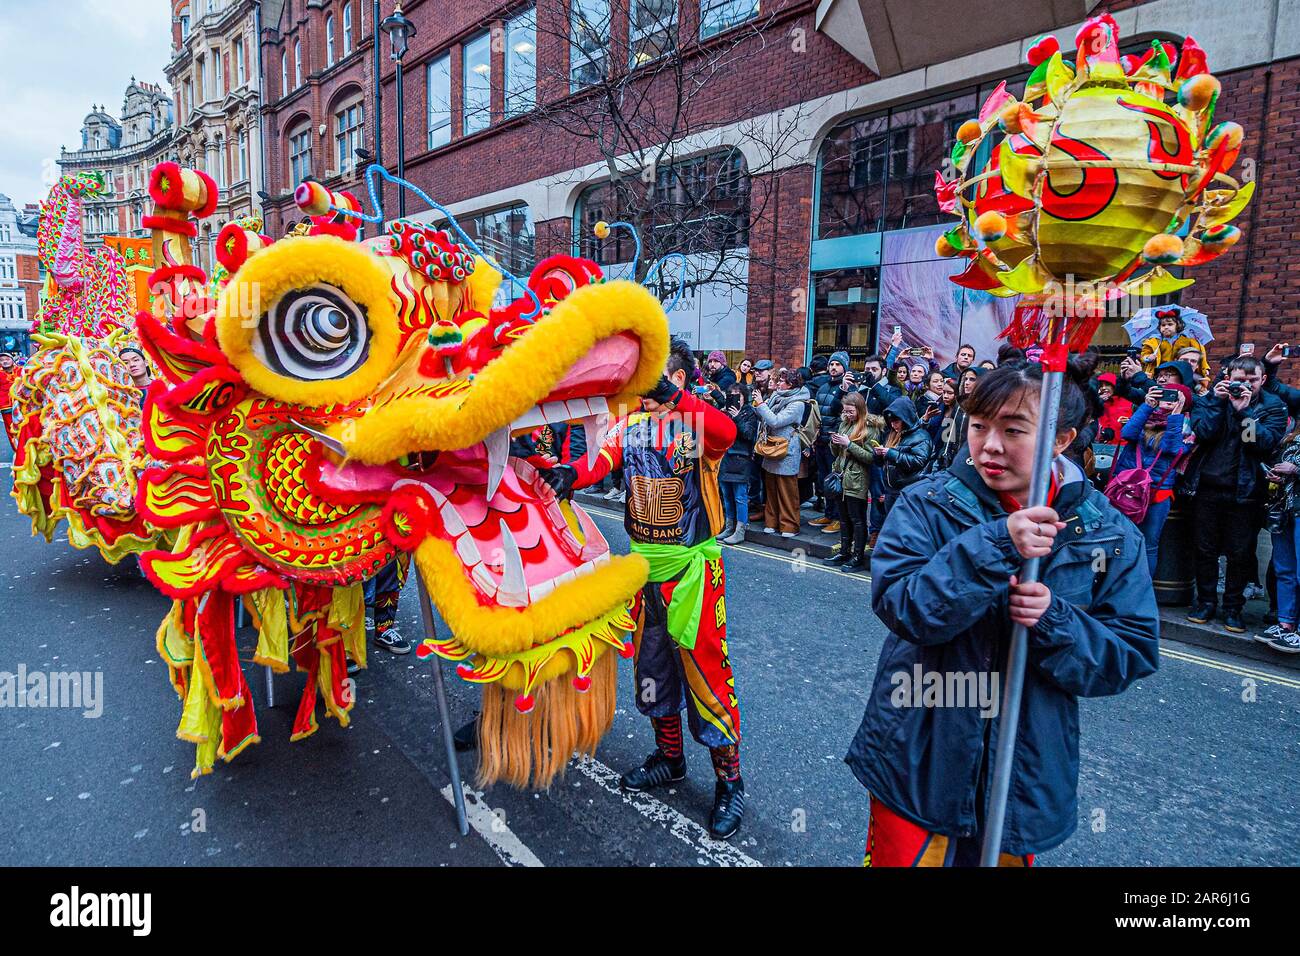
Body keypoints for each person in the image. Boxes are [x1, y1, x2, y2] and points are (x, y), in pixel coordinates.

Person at [845, 359, 1159, 866]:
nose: (990, 445)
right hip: (919, 749)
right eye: (978, 425)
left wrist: (1055, 618)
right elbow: (905, 606)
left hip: (1025, 762)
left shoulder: (1109, 533)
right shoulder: (927, 504)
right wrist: (994, 546)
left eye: (1013, 430)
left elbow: (1129, 653)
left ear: (1062, 439)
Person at [537, 337, 745, 839]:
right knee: (651, 669)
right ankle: (669, 759)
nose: (643, 394)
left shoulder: (693, 425)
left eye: (653, 383)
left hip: (692, 574)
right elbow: (601, 460)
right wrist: (571, 474)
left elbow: (727, 432)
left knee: (707, 675)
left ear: (676, 380)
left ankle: (730, 782)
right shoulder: (629, 426)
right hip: (642, 570)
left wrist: (674, 400)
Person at [1184, 356, 1287, 633]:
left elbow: (1263, 444)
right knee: (1204, 550)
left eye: (1252, 381)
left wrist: (1243, 413)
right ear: (1228, 377)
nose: (1245, 386)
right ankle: (1205, 602)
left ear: (1262, 380)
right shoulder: (1211, 399)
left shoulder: (1273, 406)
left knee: (1240, 554)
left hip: (1247, 491)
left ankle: (1233, 608)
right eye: (1239, 380)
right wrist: (1219, 403)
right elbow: (1203, 433)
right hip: (1207, 487)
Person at [1112, 383, 1191, 574]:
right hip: (1127, 490)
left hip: (1157, 494)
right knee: (1120, 541)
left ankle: (1142, 591)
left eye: (1174, 397)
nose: (1168, 400)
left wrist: (1176, 415)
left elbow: (1172, 448)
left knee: (1149, 545)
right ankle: (1116, 589)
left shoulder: (1184, 427)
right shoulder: (1145, 419)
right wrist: (1146, 406)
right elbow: (1127, 433)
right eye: (1165, 395)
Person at [823, 392, 880, 571]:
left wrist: (849, 444)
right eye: (845, 412)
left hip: (857, 479)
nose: (847, 415)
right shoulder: (844, 424)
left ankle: (858, 556)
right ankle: (845, 551)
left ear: (860, 409)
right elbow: (836, 454)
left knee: (857, 519)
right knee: (844, 518)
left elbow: (871, 457)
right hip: (841, 477)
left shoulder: (870, 428)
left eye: (850, 412)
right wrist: (835, 443)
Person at [753, 368, 812, 537]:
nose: (777, 383)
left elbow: (775, 420)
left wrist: (762, 404)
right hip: (772, 447)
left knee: (787, 491)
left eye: (781, 381)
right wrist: (759, 405)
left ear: (790, 384)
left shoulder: (798, 403)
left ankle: (789, 526)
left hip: (787, 450)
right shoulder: (777, 396)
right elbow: (763, 416)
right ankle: (771, 522)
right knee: (771, 489)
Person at [1259, 428, 1300, 653]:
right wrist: (1277, 476)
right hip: (1285, 509)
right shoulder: (1293, 436)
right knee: (1284, 569)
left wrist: (1296, 469)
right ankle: (1285, 623)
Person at [811, 350, 853, 535]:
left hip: (835, 442)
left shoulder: (850, 388)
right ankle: (828, 514)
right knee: (824, 479)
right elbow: (818, 413)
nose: (833, 367)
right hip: (820, 439)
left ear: (845, 367)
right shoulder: (823, 386)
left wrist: (843, 389)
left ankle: (838, 518)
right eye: (831, 364)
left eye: (837, 364)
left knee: (836, 480)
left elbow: (840, 412)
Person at [874, 395, 932, 516]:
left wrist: (891, 453)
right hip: (891, 491)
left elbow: (919, 461)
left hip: (908, 491)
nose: (893, 425)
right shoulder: (894, 435)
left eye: (896, 422)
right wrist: (878, 455)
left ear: (905, 419)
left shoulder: (921, 436)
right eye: (891, 423)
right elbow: (882, 463)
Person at [719, 383, 757, 545]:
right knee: (727, 496)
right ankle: (729, 527)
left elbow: (748, 435)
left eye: (737, 396)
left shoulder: (749, 413)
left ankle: (740, 531)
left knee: (740, 497)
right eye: (731, 396)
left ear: (744, 397)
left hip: (741, 460)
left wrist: (736, 417)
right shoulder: (726, 412)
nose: (734, 399)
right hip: (726, 458)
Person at [1138, 308, 1208, 380]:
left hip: (1179, 372)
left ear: (1177, 325)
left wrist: (1205, 368)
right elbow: (1144, 355)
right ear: (1159, 327)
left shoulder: (1187, 341)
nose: (1166, 327)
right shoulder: (1154, 341)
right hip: (1158, 373)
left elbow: (1198, 355)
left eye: (1170, 324)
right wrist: (1148, 358)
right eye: (1163, 325)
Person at [0, 352, 18, 450]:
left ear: (12, 360)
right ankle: (17, 450)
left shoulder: (20, 371)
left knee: (25, 428)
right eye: (2, 360)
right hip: (6, 406)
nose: (4, 362)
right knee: (11, 430)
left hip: (22, 404)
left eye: (7, 359)